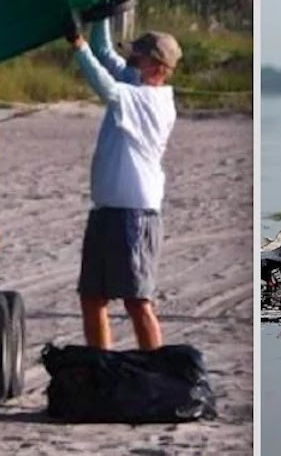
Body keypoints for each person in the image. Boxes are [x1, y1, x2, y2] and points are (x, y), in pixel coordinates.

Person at [67, 19, 181, 351]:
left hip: (135, 214)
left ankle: (157, 369)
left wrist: (78, 46)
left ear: (158, 68)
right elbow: (105, 53)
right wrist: (104, 14)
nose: (131, 63)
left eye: (138, 59)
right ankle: (100, 367)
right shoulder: (135, 82)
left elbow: (106, 86)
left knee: (137, 300)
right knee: (92, 297)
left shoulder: (152, 102)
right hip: (106, 211)